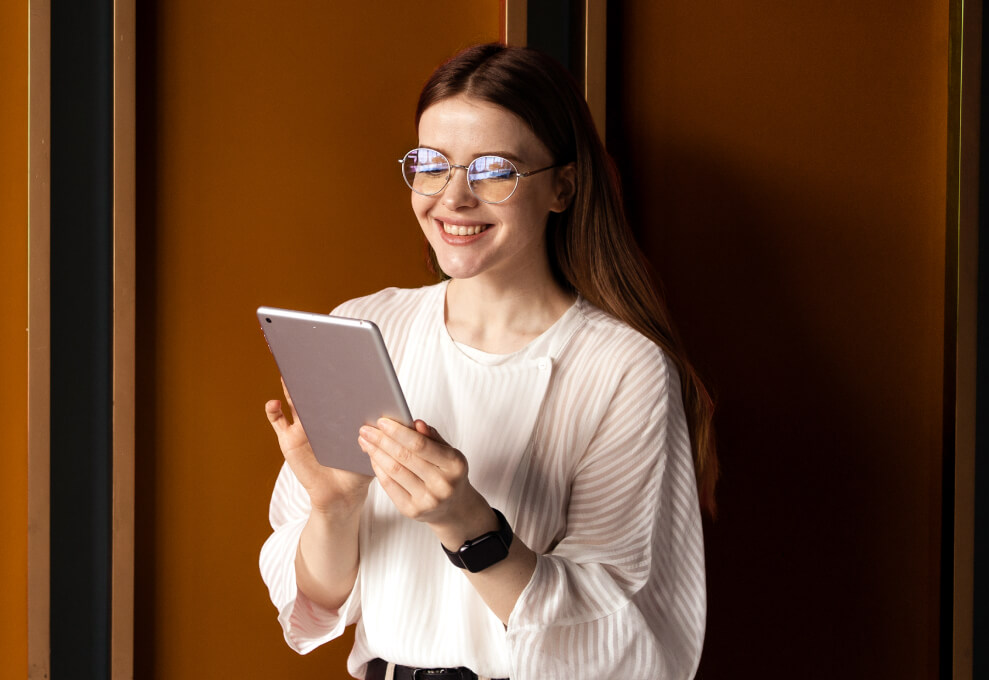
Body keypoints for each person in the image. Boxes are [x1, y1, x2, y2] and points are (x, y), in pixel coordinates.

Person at [259, 43, 718, 680]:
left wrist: (468, 525)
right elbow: (315, 599)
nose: (453, 198)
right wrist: (334, 508)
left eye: (493, 169)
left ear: (562, 187)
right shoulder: (367, 326)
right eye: (431, 165)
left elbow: (617, 644)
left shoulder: (622, 368)